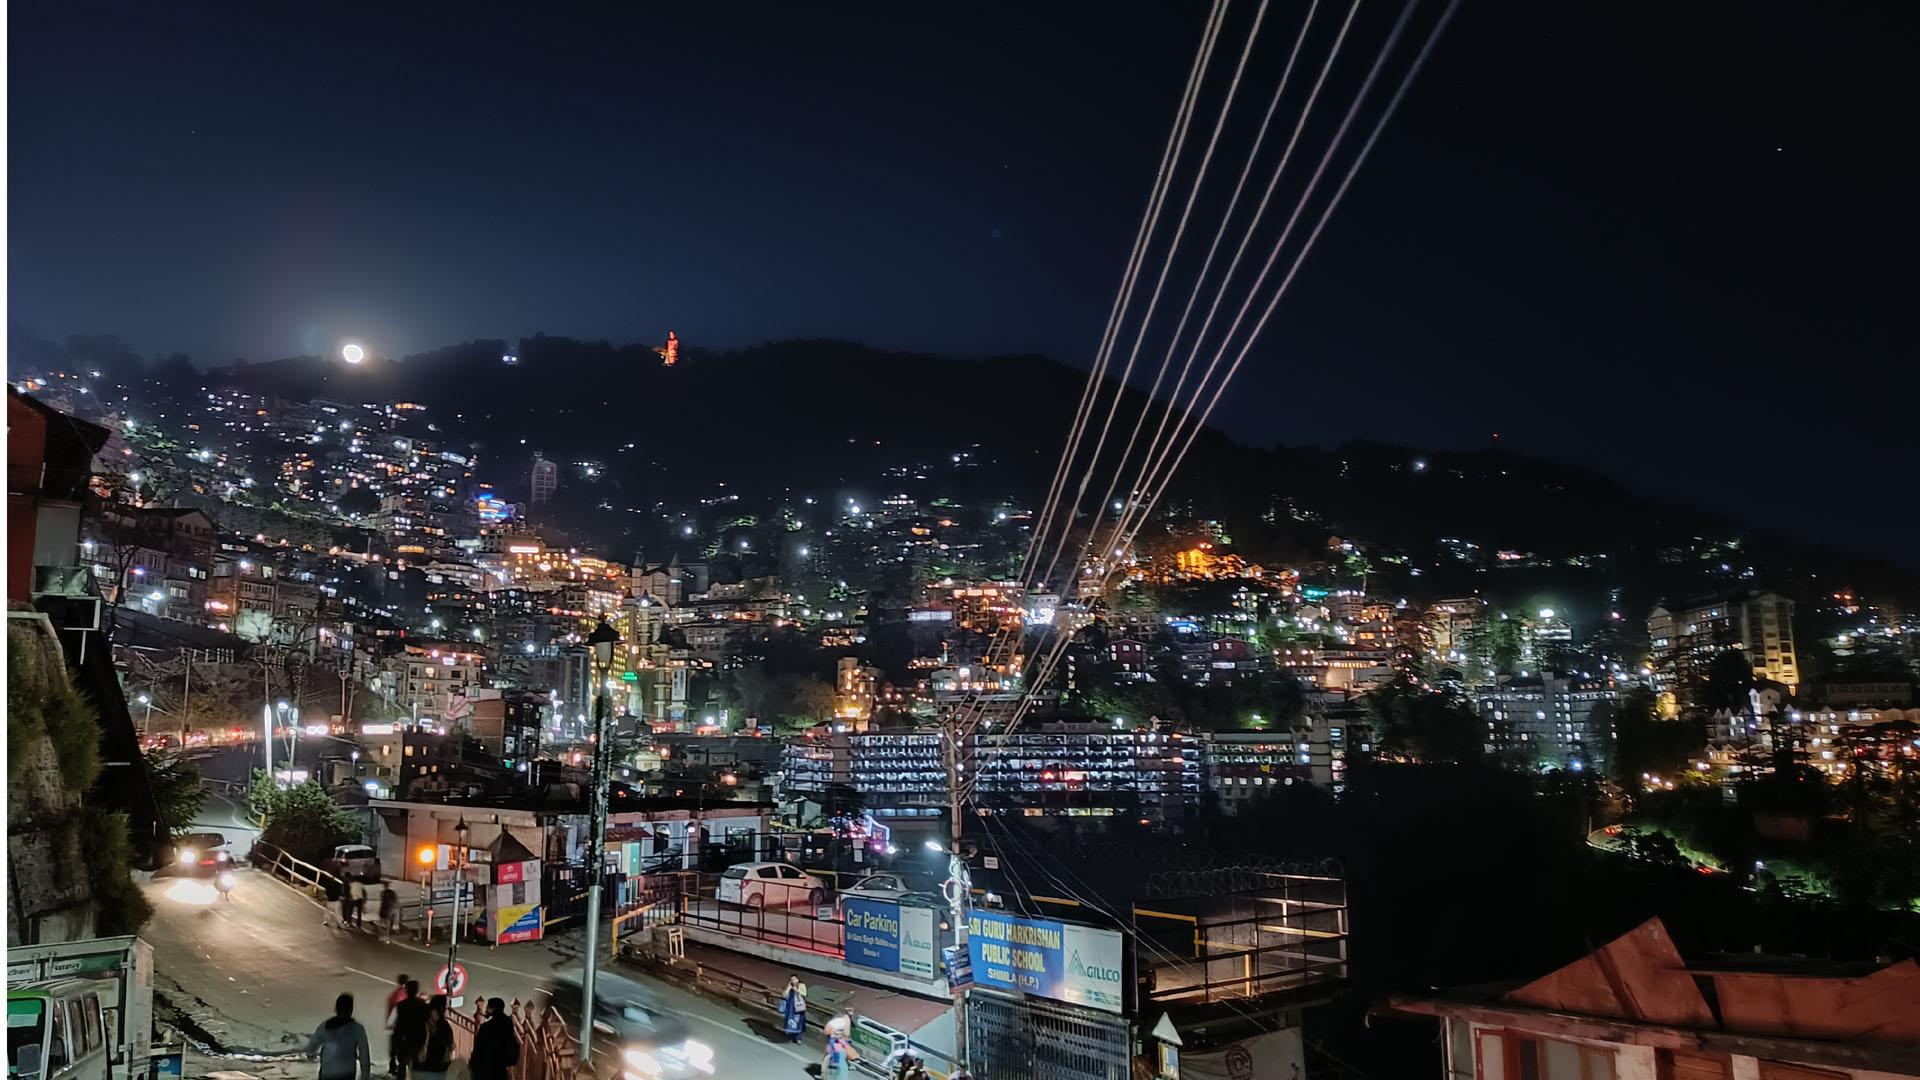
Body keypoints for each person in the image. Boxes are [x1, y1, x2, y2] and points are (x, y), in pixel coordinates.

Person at [305, 993, 372, 1080]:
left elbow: (311, 1048)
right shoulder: (357, 1029)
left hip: (327, 1072)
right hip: (347, 1073)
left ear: (336, 1009)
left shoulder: (326, 1026)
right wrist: (365, 1076)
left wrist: (311, 1054)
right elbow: (364, 1057)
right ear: (351, 1009)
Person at [468, 998, 519, 1080]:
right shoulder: (507, 1023)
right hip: (501, 1070)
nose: (486, 1009)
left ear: (493, 1009)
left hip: (486, 1070)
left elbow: (478, 1050)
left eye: (488, 1007)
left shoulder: (485, 1027)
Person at [389, 981, 428, 1079]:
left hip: (404, 1041)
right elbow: (426, 1024)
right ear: (416, 991)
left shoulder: (401, 1005)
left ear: (407, 990)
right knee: (417, 1069)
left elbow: (398, 1028)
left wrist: (393, 1052)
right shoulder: (423, 1006)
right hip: (418, 1042)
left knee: (402, 1068)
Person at [412, 996, 454, 1080]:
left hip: (422, 1071)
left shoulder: (421, 1024)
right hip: (436, 1072)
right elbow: (447, 1056)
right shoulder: (444, 1027)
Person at [383, 976, 410, 1079]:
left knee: (394, 1049)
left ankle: (392, 1068)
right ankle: (401, 1069)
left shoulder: (394, 995)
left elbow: (391, 1011)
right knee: (403, 1051)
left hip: (395, 1027)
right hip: (404, 1028)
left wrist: (388, 1025)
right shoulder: (405, 995)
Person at [780, 975, 808, 1044]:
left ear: (798, 979)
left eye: (794, 979)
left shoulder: (801, 985)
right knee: (790, 1021)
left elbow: (804, 994)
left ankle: (798, 1037)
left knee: (799, 1022)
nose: (793, 981)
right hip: (790, 1007)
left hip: (798, 1007)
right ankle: (791, 1036)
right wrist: (788, 988)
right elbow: (783, 995)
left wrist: (797, 990)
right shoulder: (789, 986)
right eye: (791, 979)